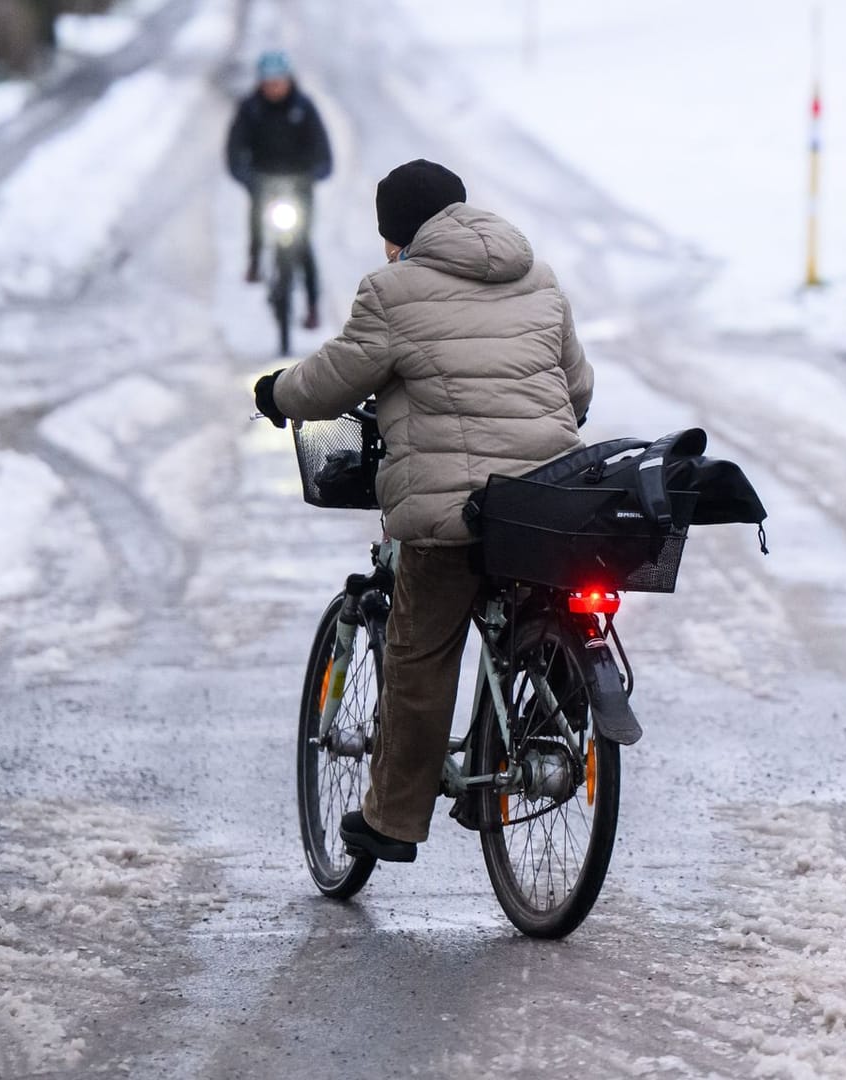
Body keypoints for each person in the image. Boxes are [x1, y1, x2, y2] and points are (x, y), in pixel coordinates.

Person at [252, 160, 594, 862]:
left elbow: (331, 381)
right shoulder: (538, 276)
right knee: (536, 599)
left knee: (418, 652)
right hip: (547, 503)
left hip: (454, 513)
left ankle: (393, 820)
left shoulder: (392, 291)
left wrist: (276, 393)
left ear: (395, 235)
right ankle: (543, 723)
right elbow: (578, 388)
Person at [225, 50, 333, 329]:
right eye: (269, 82)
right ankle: (254, 262)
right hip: (264, 182)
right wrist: (244, 175)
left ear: (288, 80)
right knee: (257, 222)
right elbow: (235, 148)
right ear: (261, 83)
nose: (274, 88)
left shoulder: (304, 108)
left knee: (304, 245)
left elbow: (322, 148)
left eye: (279, 81)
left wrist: (318, 171)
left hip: (299, 185)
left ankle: (312, 306)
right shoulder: (251, 109)